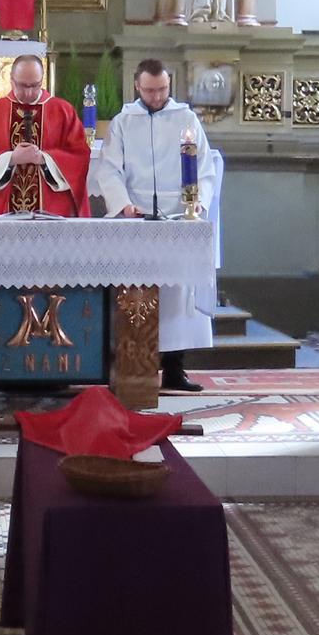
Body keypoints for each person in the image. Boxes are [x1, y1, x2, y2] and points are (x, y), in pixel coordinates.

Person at [92, 59, 219, 392]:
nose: (157, 96)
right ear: (137, 86)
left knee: (178, 294)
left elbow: (204, 167)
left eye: (162, 89)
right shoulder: (123, 122)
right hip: (135, 216)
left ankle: (175, 368)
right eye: (150, 90)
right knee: (133, 292)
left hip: (177, 216)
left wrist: (198, 202)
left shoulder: (186, 119)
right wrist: (122, 204)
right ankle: (130, 365)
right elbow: (109, 169)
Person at [0, 55, 90, 217]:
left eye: (35, 85)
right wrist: (11, 159)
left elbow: (79, 156)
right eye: (22, 85)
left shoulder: (63, 111)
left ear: (42, 80)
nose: (28, 92)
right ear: (11, 80)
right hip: (2, 208)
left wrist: (44, 159)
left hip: (52, 209)